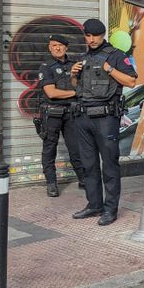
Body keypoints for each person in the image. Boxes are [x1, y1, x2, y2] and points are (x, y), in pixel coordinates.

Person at [70, 19, 137, 226]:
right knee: (88, 165)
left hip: (106, 118)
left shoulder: (116, 55)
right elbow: (77, 88)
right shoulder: (83, 57)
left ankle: (110, 209)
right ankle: (94, 205)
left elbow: (131, 81)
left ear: (102, 35)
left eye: (94, 36)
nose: (91, 39)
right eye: (87, 36)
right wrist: (73, 75)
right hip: (83, 117)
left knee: (109, 165)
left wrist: (109, 69)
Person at [37, 34, 85, 197]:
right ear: (49, 48)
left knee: (76, 148)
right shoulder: (46, 66)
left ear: (66, 47)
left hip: (71, 112)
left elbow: (82, 83)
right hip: (52, 113)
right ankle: (51, 183)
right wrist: (76, 93)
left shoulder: (75, 65)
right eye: (53, 46)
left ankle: (83, 179)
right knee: (50, 148)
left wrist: (78, 92)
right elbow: (51, 92)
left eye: (59, 45)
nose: (56, 48)